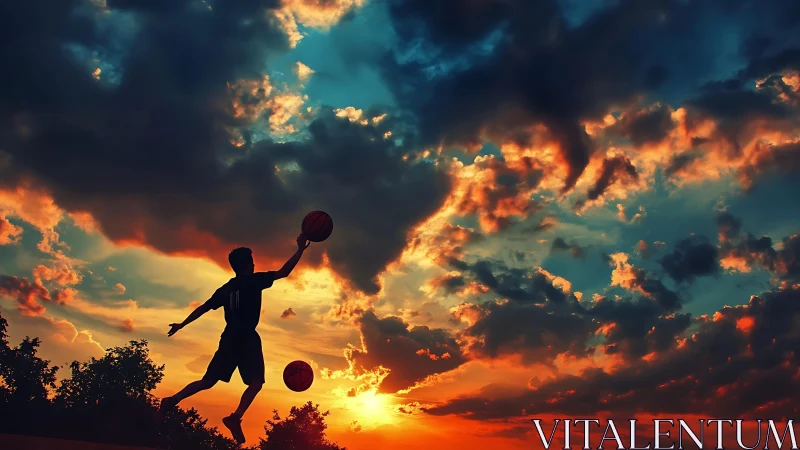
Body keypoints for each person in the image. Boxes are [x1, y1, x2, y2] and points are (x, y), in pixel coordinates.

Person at [154, 234, 310, 444]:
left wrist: (182, 324)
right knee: (256, 383)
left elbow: (204, 307)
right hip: (247, 338)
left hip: (229, 338)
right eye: (252, 261)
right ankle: (235, 417)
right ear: (249, 265)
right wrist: (300, 249)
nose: (255, 264)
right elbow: (284, 272)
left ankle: (171, 401)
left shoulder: (226, 288)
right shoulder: (255, 281)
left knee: (207, 381)